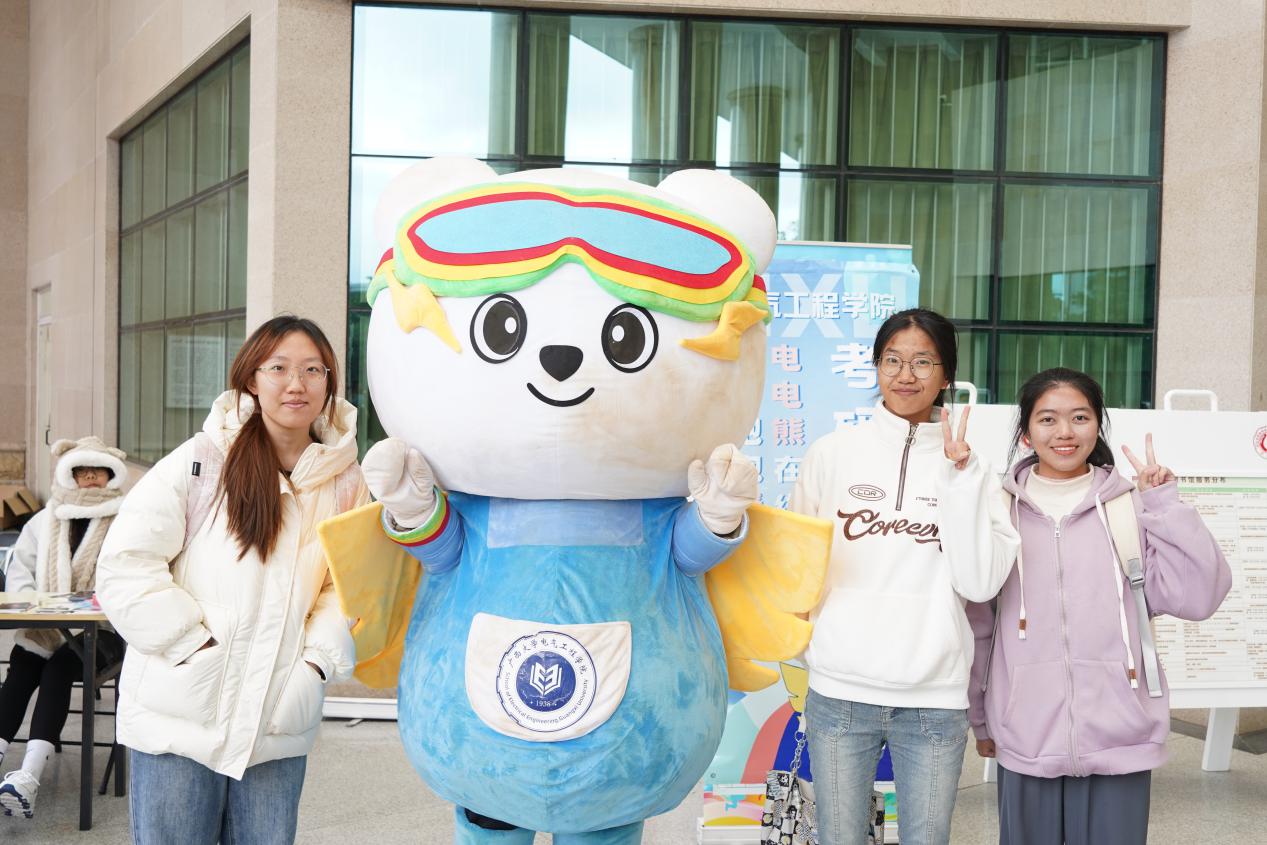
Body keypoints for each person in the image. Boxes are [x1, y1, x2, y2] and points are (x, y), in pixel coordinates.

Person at [96, 315, 366, 845]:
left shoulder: (346, 482)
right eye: (279, 368)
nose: (296, 384)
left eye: (313, 370)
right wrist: (192, 646)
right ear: (251, 380)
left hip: (276, 719)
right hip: (179, 717)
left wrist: (314, 665)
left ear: (329, 382)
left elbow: (344, 588)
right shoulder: (202, 462)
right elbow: (126, 564)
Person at [967, 368, 1231, 845]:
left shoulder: (1129, 507)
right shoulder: (998, 510)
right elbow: (979, 624)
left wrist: (1164, 504)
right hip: (1025, 734)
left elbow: (1198, 596)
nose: (1064, 432)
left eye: (1080, 417)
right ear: (1026, 433)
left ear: (1097, 425)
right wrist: (980, 714)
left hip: (1121, 734)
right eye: (1048, 419)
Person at [789, 307, 1020, 845]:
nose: (905, 375)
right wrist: (808, 650)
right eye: (892, 360)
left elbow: (980, 584)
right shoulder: (831, 453)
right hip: (840, 690)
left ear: (946, 375)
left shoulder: (975, 470)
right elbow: (795, 567)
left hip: (935, 700)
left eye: (922, 362)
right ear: (876, 367)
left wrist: (959, 482)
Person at [0, 437, 129, 819]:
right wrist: (33, 605)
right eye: (81, 471)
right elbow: (20, 570)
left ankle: (29, 776)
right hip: (47, 627)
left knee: (58, 667)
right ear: (69, 476)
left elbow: (130, 575)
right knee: (22, 665)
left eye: (97, 472)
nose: (89, 478)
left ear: (110, 476)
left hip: (104, 632)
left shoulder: (126, 519)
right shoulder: (46, 519)